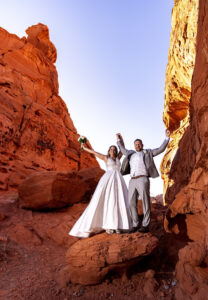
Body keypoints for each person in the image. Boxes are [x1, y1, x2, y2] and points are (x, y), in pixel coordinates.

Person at [69, 143, 132, 238]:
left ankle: (119, 225)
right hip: (108, 180)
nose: (113, 151)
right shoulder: (105, 158)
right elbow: (94, 153)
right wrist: (84, 148)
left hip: (118, 180)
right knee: (108, 201)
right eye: (111, 149)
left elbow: (122, 146)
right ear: (108, 150)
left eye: (114, 149)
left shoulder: (119, 156)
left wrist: (119, 138)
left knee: (120, 201)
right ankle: (109, 226)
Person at [116, 130, 170, 233]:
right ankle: (135, 224)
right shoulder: (130, 153)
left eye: (139, 144)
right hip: (132, 180)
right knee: (131, 202)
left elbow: (160, 149)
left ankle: (145, 225)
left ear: (142, 145)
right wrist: (118, 139)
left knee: (145, 202)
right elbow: (122, 149)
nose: (137, 146)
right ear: (134, 146)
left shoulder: (148, 152)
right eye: (136, 144)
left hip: (143, 179)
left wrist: (166, 138)